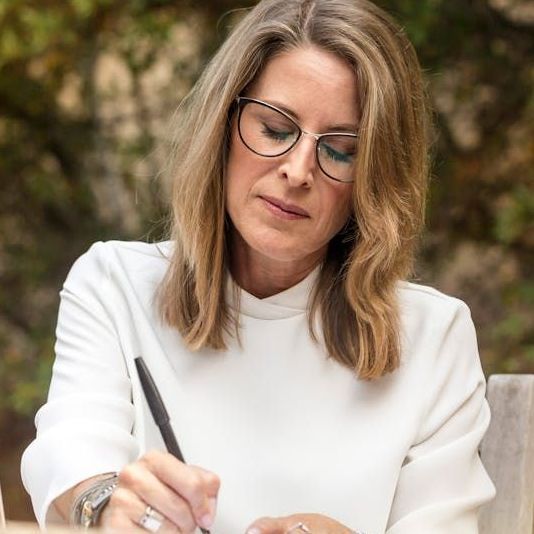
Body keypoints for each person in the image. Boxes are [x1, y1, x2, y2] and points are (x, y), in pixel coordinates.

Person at [20, 0, 496, 532]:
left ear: (374, 182)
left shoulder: (433, 336)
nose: (297, 171)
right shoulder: (116, 285)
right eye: (273, 129)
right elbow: (71, 448)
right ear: (223, 126)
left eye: (340, 151)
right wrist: (108, 504)